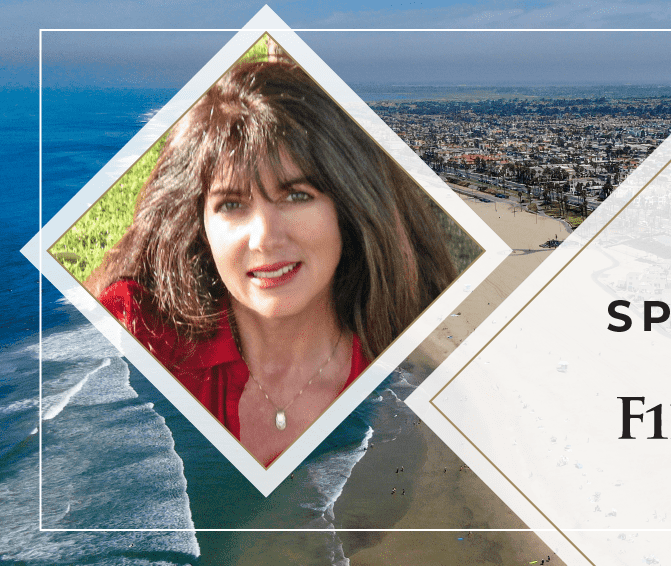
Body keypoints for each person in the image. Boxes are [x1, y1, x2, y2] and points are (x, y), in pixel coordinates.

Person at [88, 61, 456, 466]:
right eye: (231, 204)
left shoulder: (419, 362)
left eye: (296, 196)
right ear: (199, 227)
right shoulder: (135, 332)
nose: (264, 237)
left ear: (350, 207)